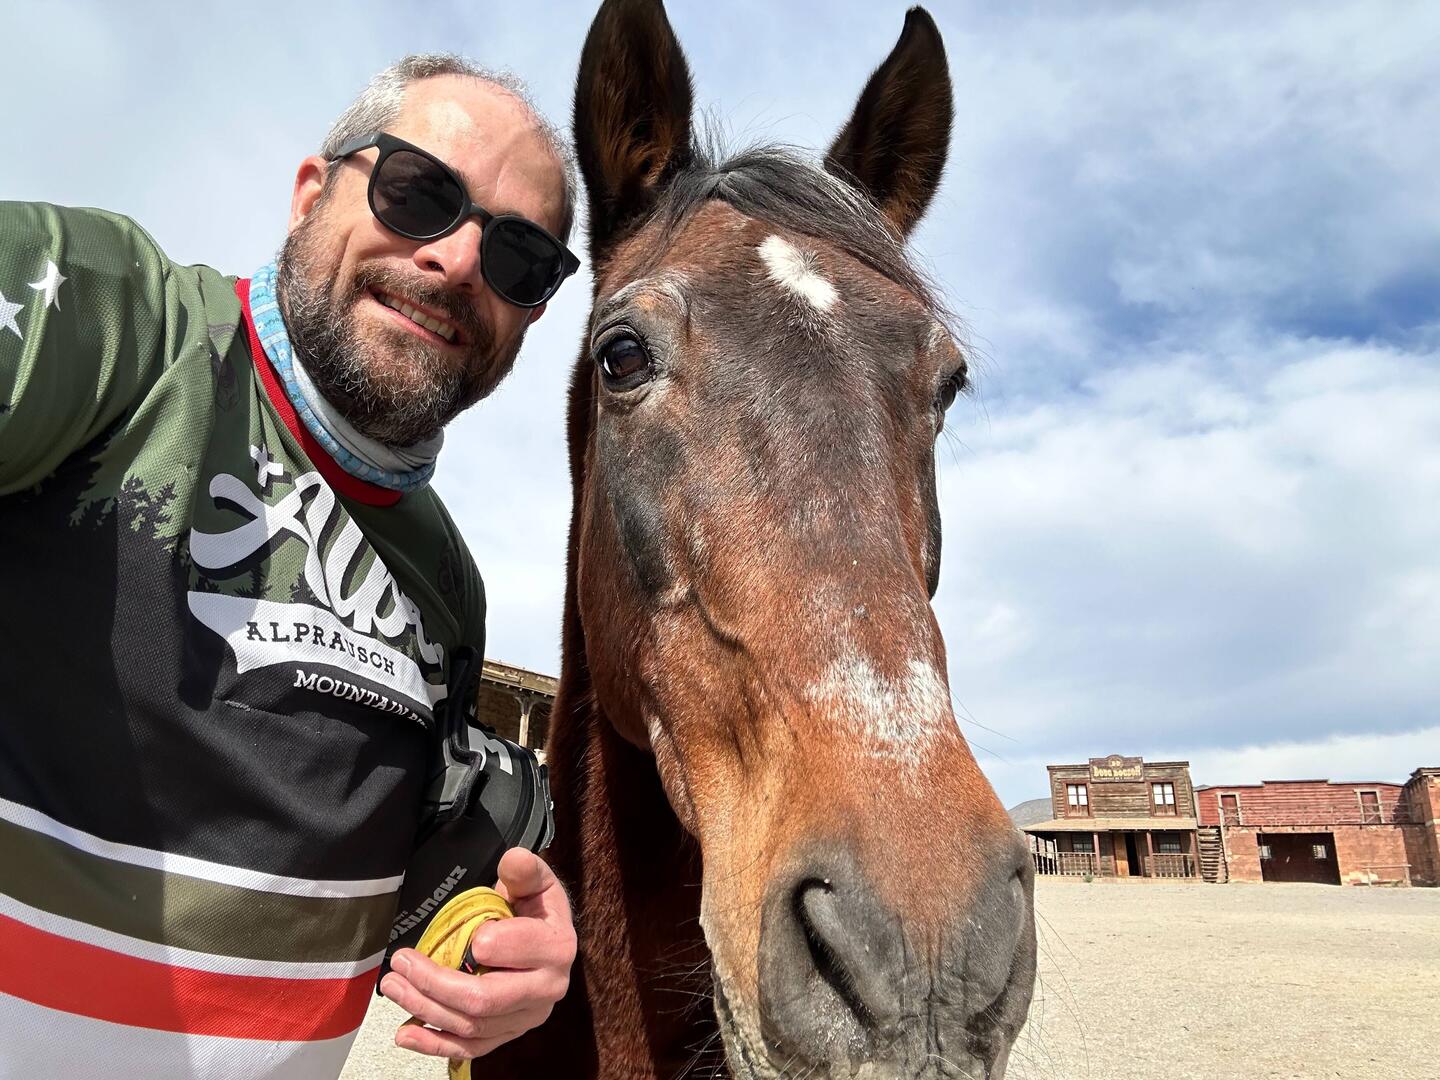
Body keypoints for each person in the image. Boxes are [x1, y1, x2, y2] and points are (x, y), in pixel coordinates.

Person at [0, 55, 580, 1077]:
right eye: (418, 192)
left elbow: (388, 862)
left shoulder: (445, 583)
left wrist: (493, 948)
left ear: (530, 315)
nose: (454, 259)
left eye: (520, 257)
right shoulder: (115, 329)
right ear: (313, 193)